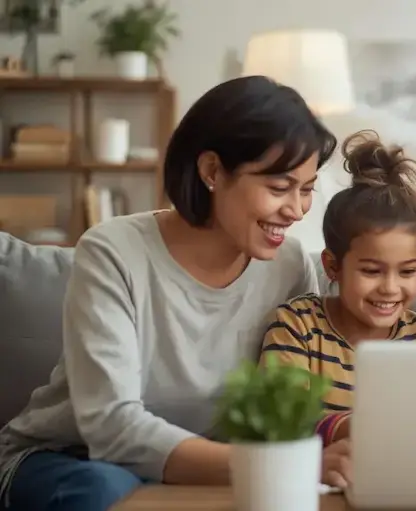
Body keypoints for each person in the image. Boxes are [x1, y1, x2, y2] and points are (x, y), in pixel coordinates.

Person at [0, 76, 337, 511]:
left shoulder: (289, 266)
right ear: (212, 171)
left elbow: (297, 400)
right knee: (101, 492)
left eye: (306, 189)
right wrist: (273, 468)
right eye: (279, 188)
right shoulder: (113, 251)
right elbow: (110, 426)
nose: (296, 210)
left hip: (215, 469)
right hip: (70, 458)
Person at [260, 129, 416, 488]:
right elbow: (277, 422)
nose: (390, 288)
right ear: (333, 266)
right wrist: (347, 427)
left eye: (407, 271)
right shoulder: (298, 326)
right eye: (372, 271)